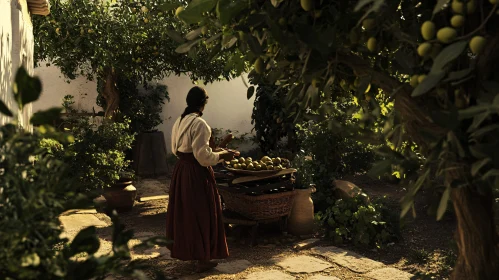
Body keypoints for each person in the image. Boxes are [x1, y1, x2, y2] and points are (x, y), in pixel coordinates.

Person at [166, 86, 237, 273]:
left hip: (181, 171)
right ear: (203, 103)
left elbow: (177, 151)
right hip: (196, 174)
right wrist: (223, 156)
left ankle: (193, 252)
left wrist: (216, 151)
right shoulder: (200, 124)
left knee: (187, 213)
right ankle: (203, 258)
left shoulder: (179, 121)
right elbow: (203, 158)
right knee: (202, 213)